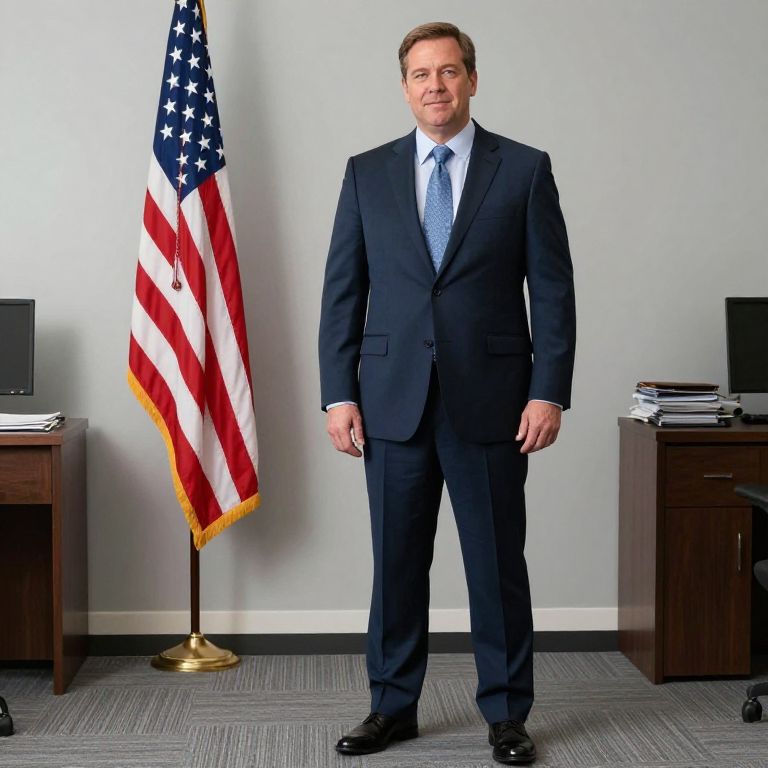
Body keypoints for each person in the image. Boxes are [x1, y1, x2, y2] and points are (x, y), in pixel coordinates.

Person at [318, 21, 575, 766]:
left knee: (497, 564)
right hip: (391, 399)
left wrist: (547, 390)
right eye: (422, 74)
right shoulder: (367, 172)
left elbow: (552, 294)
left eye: (450, 71)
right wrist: (339, 393)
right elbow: (344, 291)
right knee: (396, 563)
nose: (436, 85)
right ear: (405, 87)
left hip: (495, 399)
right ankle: (391, 707)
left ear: (472, 79)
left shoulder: (523, 169)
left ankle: (506, 714)